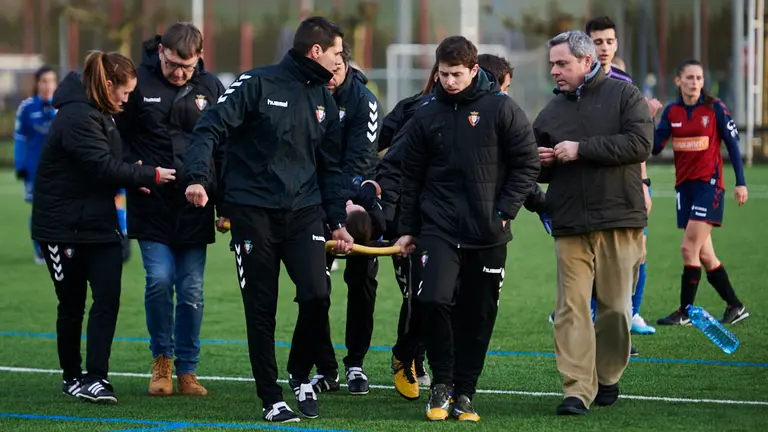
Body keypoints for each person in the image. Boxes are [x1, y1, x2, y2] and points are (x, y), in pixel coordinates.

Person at [183, 17, 354, 423]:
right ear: (316, 51)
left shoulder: (324, 100)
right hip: (252, 213)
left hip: (305, 213)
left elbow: (329, 168)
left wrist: (336, 220)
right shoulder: (256, 83)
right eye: (336, 52)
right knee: (262, 307)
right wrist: (196, 178)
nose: (340, 60)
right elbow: (209, 128)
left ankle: (299, 375)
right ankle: (270, 396)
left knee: (317, 295)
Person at [395, 36, 540, 422]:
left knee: (478, 315)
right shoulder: (426, 114)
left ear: (475, 70)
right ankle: (441, 384)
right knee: (433, 301)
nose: (449, 81)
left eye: (457, 74)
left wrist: (505, 210)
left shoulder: (502, 108)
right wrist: (408, 228)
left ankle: (465, 393)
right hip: (439, 228)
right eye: (443, 74)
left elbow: (527, 164)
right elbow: (411, 175)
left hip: (488, 232)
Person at [31, 51, 176, 404]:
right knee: (72, 305)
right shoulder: (76, 116)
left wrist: (132, 168)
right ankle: (71, 376)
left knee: (107, 298)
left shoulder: (101, 113)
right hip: (63, 228)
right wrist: (150, 174)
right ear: (107, 85)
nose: (127, 101)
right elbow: (101, 167)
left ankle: (96, 377)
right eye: (124, 93)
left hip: (99, 225)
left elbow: (111, 160)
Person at [534, 31, 651, 415]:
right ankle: (576, 389)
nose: (555, 71)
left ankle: (608, 375)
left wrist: (581, 150)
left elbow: (639, 144)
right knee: (571, 308)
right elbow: (533, 165)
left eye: (562, 63)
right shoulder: (550, 112)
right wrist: (542, 161)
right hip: (569, 224)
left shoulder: (625, 96)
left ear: (587, 62)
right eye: (552, 63)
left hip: (619, 218)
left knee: (616, 308)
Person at [115, 22, 225, 398]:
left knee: (192, 290)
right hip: (151, 203)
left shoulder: (210, 88)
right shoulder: (138, 83)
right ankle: (161, 360)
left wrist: (223, 204)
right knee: (159, 280)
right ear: (161, 51)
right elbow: (118, 140)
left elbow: (223, 148)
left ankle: (188, 370)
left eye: (188, 67)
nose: (180, 74)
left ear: (199, 58)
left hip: (196, 206)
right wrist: (138, 174)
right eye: (174, 65)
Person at [579, 16, 662, 338]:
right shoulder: (574, 81)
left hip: (626, 180)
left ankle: (632, 312)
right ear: (586, 44)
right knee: (595, 253)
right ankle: (587, 313)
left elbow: (637, 140)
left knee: (637, 248)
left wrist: (643, 184)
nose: (604, 48)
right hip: (590, 183)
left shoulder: (626, 84)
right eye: (597, 41)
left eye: (609, 41)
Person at [653, 59, 750, 326]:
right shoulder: (672, 112)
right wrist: (643, 118)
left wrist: (740, 182)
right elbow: (654, 146)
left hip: (710, 186)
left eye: (699, 78)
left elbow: (732, 144)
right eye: (689, 78)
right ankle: (735, 306)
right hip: (684, 189)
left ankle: (685, 311)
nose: (695, 83)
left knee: (688, 248)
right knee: (705, 255)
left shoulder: (714, 108)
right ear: (678, 81)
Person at [311, 41, 380, 396]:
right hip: (314, 205)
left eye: (335, 69)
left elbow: (363, 159)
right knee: (314, 291)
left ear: (345, 64)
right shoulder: (306, 96)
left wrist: (345, 204)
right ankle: (325, 368)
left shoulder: (364, 102)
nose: (329, 77)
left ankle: (355, 363)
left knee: (362, 284)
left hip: (355, 207)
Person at [14, 66, 58, 265]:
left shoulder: (62, 106)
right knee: (38, 209)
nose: (48, 85)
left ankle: (59, 247)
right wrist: (20, 164)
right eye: (44, 81)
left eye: (52, 81)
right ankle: (40, 250)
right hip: (34, 168)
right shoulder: (27, 107)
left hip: (58, 169)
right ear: (37, 83)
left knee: (59, 209)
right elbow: (20, 138)